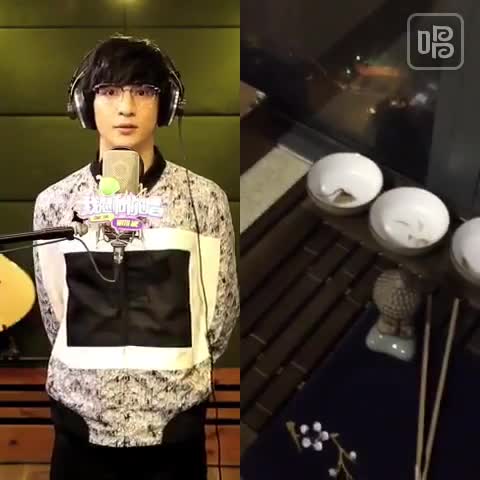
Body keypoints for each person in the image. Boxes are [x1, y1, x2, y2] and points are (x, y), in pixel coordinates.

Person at [32, 34, 239, 480]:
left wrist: (168, 383)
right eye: (109, 91)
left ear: (166, 105)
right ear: (86, 104)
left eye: (143, 91)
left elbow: (219, 315)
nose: (126, 107)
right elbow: (55, 313)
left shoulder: (205, 200)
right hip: (80, 423)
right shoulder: (54, 203)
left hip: (175, 427)